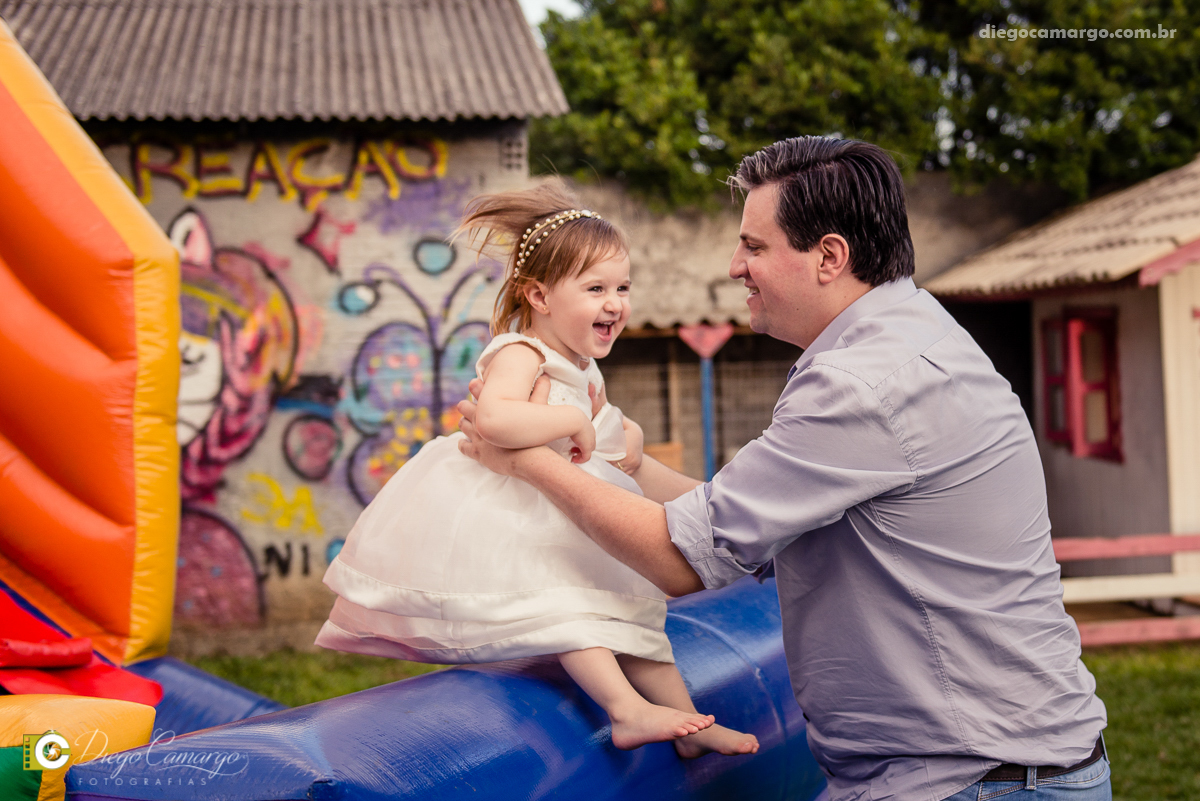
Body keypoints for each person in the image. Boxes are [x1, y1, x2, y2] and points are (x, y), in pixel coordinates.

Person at [456, 138, 1111, 801]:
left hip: (970, 778)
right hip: (987, 767)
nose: (735, 266)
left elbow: (680, 558)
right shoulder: (910, 335)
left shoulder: (864, 382)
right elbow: (756, 526)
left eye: (754, 246)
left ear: (829, 256)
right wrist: (636, 466)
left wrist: (527, 461)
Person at [316, 183, 759, 757]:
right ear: (539, 295)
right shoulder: (521, 353)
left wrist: (624, 434)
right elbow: (494, 418)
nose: (615, 303)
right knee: (568, 609)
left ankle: (690, 726)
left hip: (560, 510)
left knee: (635, 617)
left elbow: (604, 436)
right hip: (512, 515)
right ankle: (625, 711)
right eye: (595, 288)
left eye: (622, 288)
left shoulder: (583, 366)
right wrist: (569, 419)